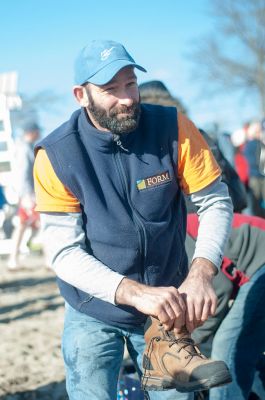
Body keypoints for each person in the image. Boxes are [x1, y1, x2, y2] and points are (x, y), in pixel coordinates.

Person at [33, 40, 233, 400]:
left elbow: (215, 201)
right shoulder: (56, 155)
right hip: (91, 307)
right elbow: (63, 252)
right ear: (81, 94)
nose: (126, 98)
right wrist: (134, 293)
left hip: (168, 307)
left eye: (130, 84)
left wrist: (202, 273)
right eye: (111, 89)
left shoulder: (174, 128)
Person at [186, 213, 265, 400]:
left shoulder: (176, 238)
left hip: (260, 263)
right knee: (243, 346)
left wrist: (192, 340)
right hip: (252, 268)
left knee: (226, 345)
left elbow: (219, 290)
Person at [8, 122, 41, 270]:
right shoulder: (24, 149)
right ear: (31, 132)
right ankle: (48, 260)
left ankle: (13, 260)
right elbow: (23, 175)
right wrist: (27, 195)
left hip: (28, 194)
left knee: (23, 226)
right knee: (42, 224)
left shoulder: (26, 148)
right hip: (29, 195)